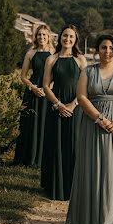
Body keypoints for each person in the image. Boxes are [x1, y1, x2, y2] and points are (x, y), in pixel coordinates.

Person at [67, 33, 113, 224]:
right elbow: (81, 97)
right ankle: (90, 217)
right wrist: (99, 118)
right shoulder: (88, 72)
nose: (107, 51)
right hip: (92, 125)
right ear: (97, 50)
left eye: (110, 48)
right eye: (103, 47)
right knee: (93, 166)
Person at [41, 25, 86, 201]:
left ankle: (74, 188)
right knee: (56, 144)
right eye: (65, 36)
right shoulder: (51, 59)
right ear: (60, 38)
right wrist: (59, 104)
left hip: (76, 107)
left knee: (74, 145)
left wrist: (73, 104)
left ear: (75, 40)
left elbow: (86, 86)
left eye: (71, 37)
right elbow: (45, 86)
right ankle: (55, 186)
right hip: (56, 106)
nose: (67, 39)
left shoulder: (81, 60)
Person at [14, 24, 54, 167]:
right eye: (39, 35)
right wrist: (32, 87)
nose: (41, 37)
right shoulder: (30, 53)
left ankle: (43, 158)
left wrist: (47, 88)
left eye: (44, 34)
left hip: (48, 91)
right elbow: (23, 76)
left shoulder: (54, 53)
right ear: (35, 37)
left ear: (49, 36)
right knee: (30, 124)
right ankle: (28, 158)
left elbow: (56, 74)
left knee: (45, 123)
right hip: (33, 90)